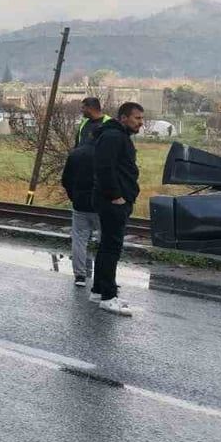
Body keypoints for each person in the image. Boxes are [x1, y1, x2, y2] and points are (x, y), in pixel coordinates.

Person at [92, 101, 144, 316]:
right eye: (137, 118)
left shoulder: (117, 135)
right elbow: (104, 168)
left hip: (114, 199)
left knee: (106, 246)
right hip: (113, 201)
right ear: (124, 117)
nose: (141, 123)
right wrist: (117, 196)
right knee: (112, 247)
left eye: (142, 118)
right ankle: (108, 297)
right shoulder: (114, 137)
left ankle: (98, 290)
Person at [61, 140, 99, 287]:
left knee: (79, 240)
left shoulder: (75, 154)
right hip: (101, 204)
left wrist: (73, 196)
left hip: (80, 204)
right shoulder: (105, 153)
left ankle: (80, 276)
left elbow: (66, 180)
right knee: (105, 241)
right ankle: (103, 276)